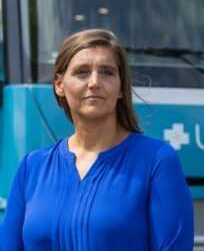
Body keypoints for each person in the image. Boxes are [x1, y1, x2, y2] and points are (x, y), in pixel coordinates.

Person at [1, 29, 194, 250]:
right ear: (59, 84)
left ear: (121, 87)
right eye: (82, 72)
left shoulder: (157, 161)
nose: (94, 82)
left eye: (107, 72)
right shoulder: (31, 168)